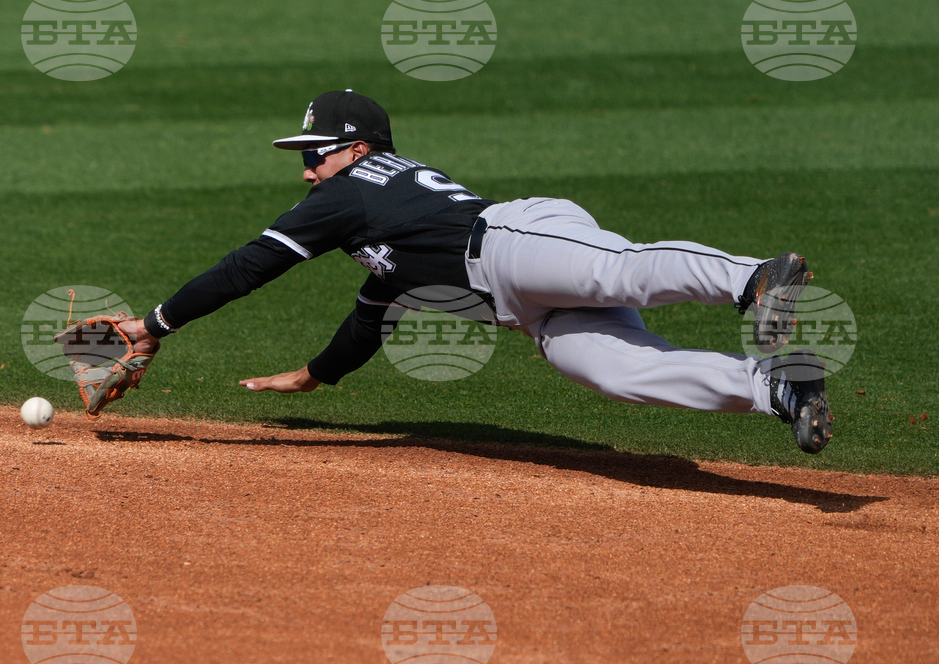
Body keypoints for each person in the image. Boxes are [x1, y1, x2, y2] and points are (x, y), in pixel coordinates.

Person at [119, 90, 833, 453]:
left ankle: (754, 277)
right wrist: (318, 374)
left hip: (514, 240)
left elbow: (250, 266)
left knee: (622, 274)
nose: (306, 167)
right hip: (523, 306)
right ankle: (777, 387)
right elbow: (376, 304)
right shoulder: (373, 220)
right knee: (614, 372)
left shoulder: (351, 192)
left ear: (357, 148)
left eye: (316, 152)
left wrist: (153, 325)